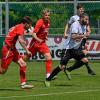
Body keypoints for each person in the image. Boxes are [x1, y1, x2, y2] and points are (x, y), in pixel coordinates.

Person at [45, 13, 91, 87]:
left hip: (75, 49)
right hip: (68, 48)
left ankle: (69, 69)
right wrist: (84, 35)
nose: (87, 21)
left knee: (85, 60)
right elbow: (73, 36)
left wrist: (83, 46)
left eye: (88, 19)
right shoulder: (75, 25)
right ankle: (48, 79)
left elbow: (82, 37)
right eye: (86, 19)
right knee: (62, 66)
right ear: (81, 18)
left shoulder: (84, 25)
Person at [0, 16, 34, 89]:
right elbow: (21, 40)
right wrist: (27, 50)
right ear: (26, 24)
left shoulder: (18, 26)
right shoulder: (21, 28)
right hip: (8, 49)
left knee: (23, 64)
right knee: (2, 71)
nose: (30, 26)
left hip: (12, 49)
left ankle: (23, 84)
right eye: (30, 24)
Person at [64, 4, 95, 75]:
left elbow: (88, 28)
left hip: (82, 40)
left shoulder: (85, 18)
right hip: (75, 40)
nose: (82, 10)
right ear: (77, 10)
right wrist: (65, 33)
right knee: (83, 57)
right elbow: (68, 24)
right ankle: (88, 69)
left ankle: (70, 69)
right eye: (80, 9)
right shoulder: (74, 18)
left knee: (84, 56)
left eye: (82, 9)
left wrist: (88, 32)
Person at [24, 8, 52, 79]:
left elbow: (46, 31)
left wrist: (45, 37)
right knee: (26, 57)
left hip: (42, 43)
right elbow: (33, 34)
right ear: (43, 15)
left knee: (48, 56)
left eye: (48, 15)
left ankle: (48, 75)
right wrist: (39, 39)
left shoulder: (48, 22)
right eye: (46, 15)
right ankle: (17, 60)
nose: (47, 16)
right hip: (35, 43)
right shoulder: (40, 22)